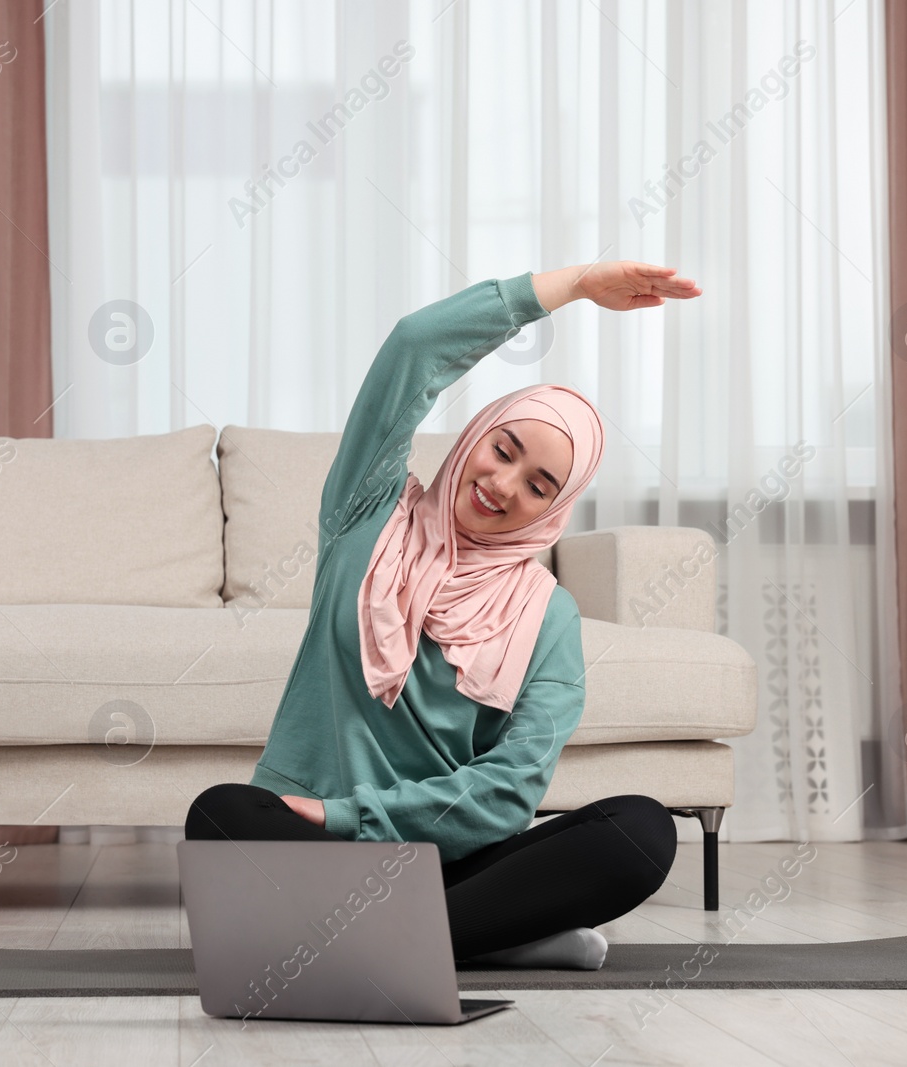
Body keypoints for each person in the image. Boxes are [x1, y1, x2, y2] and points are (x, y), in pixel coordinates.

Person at [185, 262, 703, 969]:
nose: (501, 484)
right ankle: (482, 938)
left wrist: (356, 814)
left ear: (554, 509)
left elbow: (513, 786)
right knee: (221, 814)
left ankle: (360, 937)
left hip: (449, 860)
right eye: (503, 449)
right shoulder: (366, 512)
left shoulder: (548, 617)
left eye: (538, 484)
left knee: (643, 830)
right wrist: (573, 285)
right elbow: (413, 350)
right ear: (477, 436)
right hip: (309, 843)